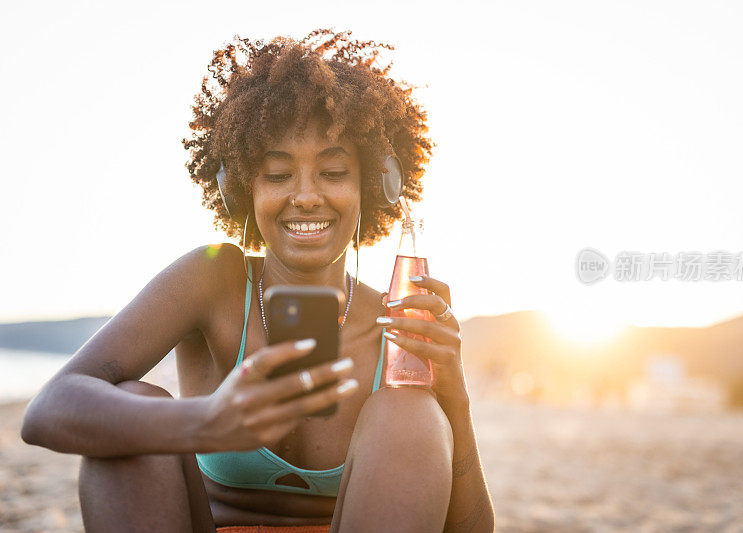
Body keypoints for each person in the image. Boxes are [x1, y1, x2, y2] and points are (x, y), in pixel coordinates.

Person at [20, 29, 494, 532]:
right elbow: (48, 410)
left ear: (374, 186)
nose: (306, 196)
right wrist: (207, 420)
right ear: (241, 187)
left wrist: (454, 402)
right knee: (132, 410)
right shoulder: (213, 278)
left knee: (410, 415)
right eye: (277, 174)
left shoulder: (397, 329)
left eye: (333, 172)